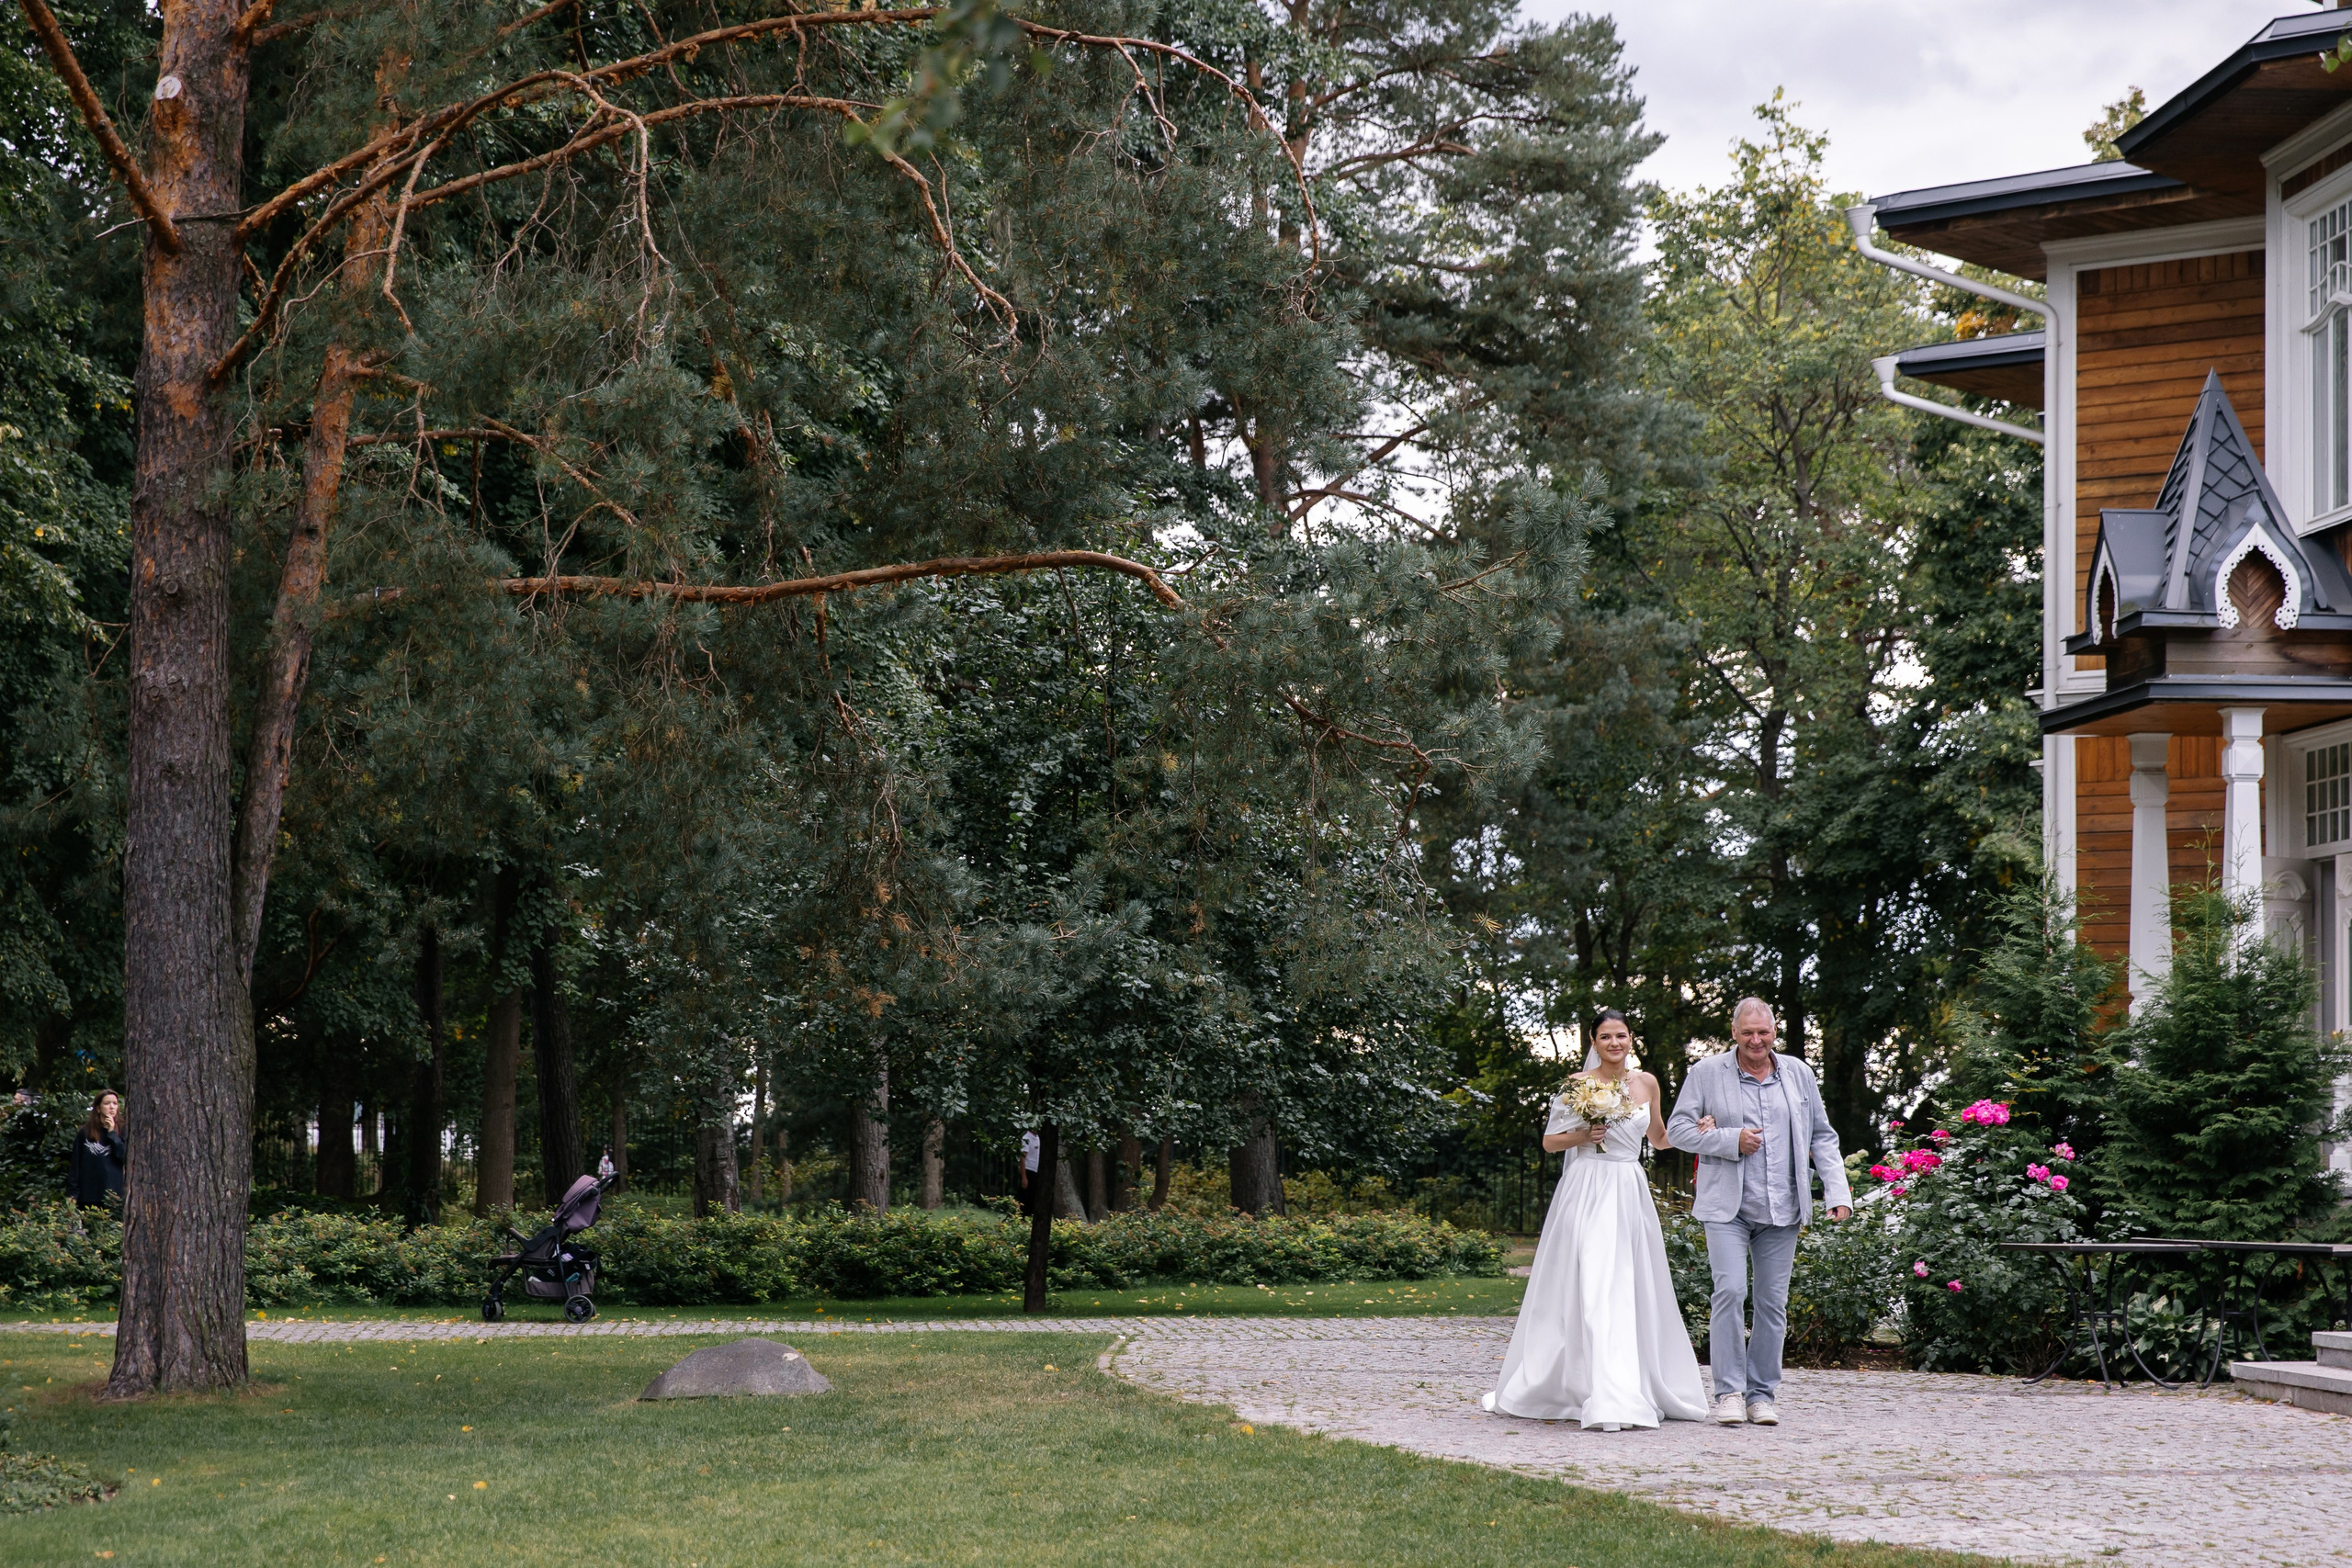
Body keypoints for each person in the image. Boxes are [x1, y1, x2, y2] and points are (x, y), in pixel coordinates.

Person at [1483, 1010, 1708, 1431]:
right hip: (1587, 1188)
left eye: (1621, 1035)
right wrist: (1585, 1136)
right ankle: (1593, 1387)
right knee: (1594, 1279)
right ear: (1593, 1040)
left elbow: (1658, 1138)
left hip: (1627, 1188)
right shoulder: (1577, 1084)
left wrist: (1699, 1129)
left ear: (1631, 1039)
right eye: (1605, 1037)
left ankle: (1623, 1385)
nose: (1614, 1043)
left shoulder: (1648, 1083)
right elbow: (1551, 1142)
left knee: (1625, 1280)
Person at [1667, 998, 1850, 1427]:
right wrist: (1730, 1140)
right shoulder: (1707, 1073)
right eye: (1747, 1032)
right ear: (1733, 1032)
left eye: (1763, 1032)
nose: (1755, 1040)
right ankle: (1729, 1392)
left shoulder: (1799, 1074)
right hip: (1726, 1207)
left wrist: (1836, 1192)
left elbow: (1822, 1136)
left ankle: (1761, 1395)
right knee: (1729, 1291)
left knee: (1772, 1303)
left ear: (1774, 1031)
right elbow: (1677, 1130)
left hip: (1782, 1207)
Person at [67, 1089, 126, 1208]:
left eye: (115, 1103)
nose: (112, 1107)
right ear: (98, 1108)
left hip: (114, 1196)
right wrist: (72, 1194)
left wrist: (112, 1134)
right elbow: (76, 1165)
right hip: (89, 1196)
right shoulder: (86, 1132)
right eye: (107, 1103)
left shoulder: (123, 1129)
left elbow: (124, 1156)